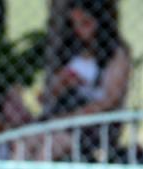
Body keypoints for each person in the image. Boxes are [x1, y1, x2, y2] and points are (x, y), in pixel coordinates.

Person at [37, 0, 132, 159]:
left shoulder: (117, 54)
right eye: (74, 24)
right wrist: (60, 85)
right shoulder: (72, 52)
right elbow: (44, 98)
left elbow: (110, 100)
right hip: (64, 116)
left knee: (51, 145)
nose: (79, 30)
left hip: (95, 125)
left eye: (85, 23)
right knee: (25, 142)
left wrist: (72, 118)